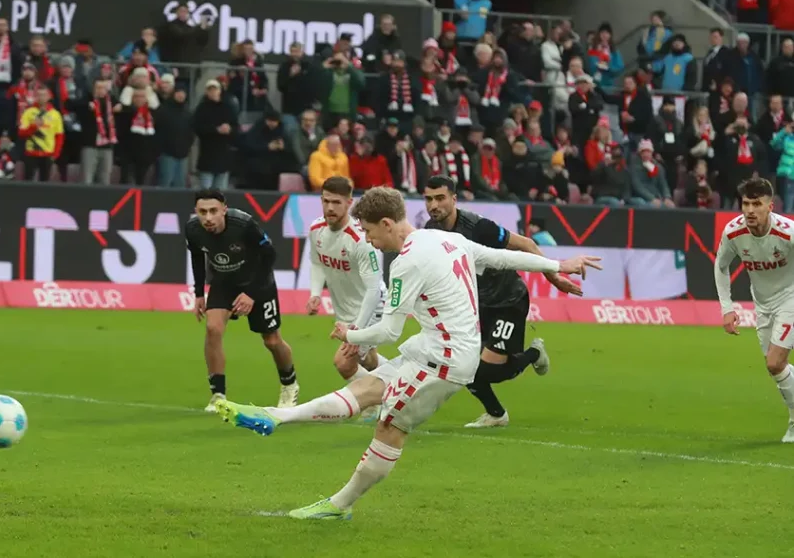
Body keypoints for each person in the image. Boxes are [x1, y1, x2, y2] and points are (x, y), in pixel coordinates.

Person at [213, 186, 601, 520]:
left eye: (367, 231)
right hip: (433, 350)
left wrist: (351, 332)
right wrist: (557, 264)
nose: (367, 240)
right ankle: (276, 416)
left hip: (444, 361)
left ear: (387, 223)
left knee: (389, 428)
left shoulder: (406, 262)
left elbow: (388, 330)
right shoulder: (443, 239)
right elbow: (502, 257)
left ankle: (339, 505)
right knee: (367, 389)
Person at [423, 176, 582, 426]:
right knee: (461, 364)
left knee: (491, 371)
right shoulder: (429, 233)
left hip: (508, 299)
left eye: (440, 198)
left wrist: (555, 278)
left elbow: (526, 244)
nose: (434, 205)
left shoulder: (478, 227)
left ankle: (534, 353)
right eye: (429, 199)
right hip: (476, 306)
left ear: (453, 199)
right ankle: (496, 415)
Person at [185, 189, 299, 413]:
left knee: (272, 341)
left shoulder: (243, 224)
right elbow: (197, 256)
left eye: (213, 211)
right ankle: (218, 395)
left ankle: (289, 385)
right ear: (196, 212)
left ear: (224, 210)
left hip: (257, 281)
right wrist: (199, 293)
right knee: (213, 328)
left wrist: (251, 294)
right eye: (203, 212)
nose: (208, 217)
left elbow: (270, 255)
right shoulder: (193, 229)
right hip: (223, 282)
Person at [714, 177, 794, 443]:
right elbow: (721, 266)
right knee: (775, 368)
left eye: (756, 204)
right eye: (746, 203)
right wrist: (727, 307)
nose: (749, 210)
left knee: (775, 361)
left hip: (791, 297)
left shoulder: (787, 232)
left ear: (770, 206)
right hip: (763, 303)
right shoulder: (733, 232)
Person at [306, 177, 388, 419]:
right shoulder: (315, 229)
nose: (330, 207)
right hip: (344, 308)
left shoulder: (361, 239)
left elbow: (373, 289)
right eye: (325, 201)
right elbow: (317, 262)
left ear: (349, 203)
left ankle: (380, 400)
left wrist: (357, 329)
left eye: (336, 202)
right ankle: (402, 380)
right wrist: (314, 294)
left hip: (371, 305)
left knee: (344, 362)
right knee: (369, 360)